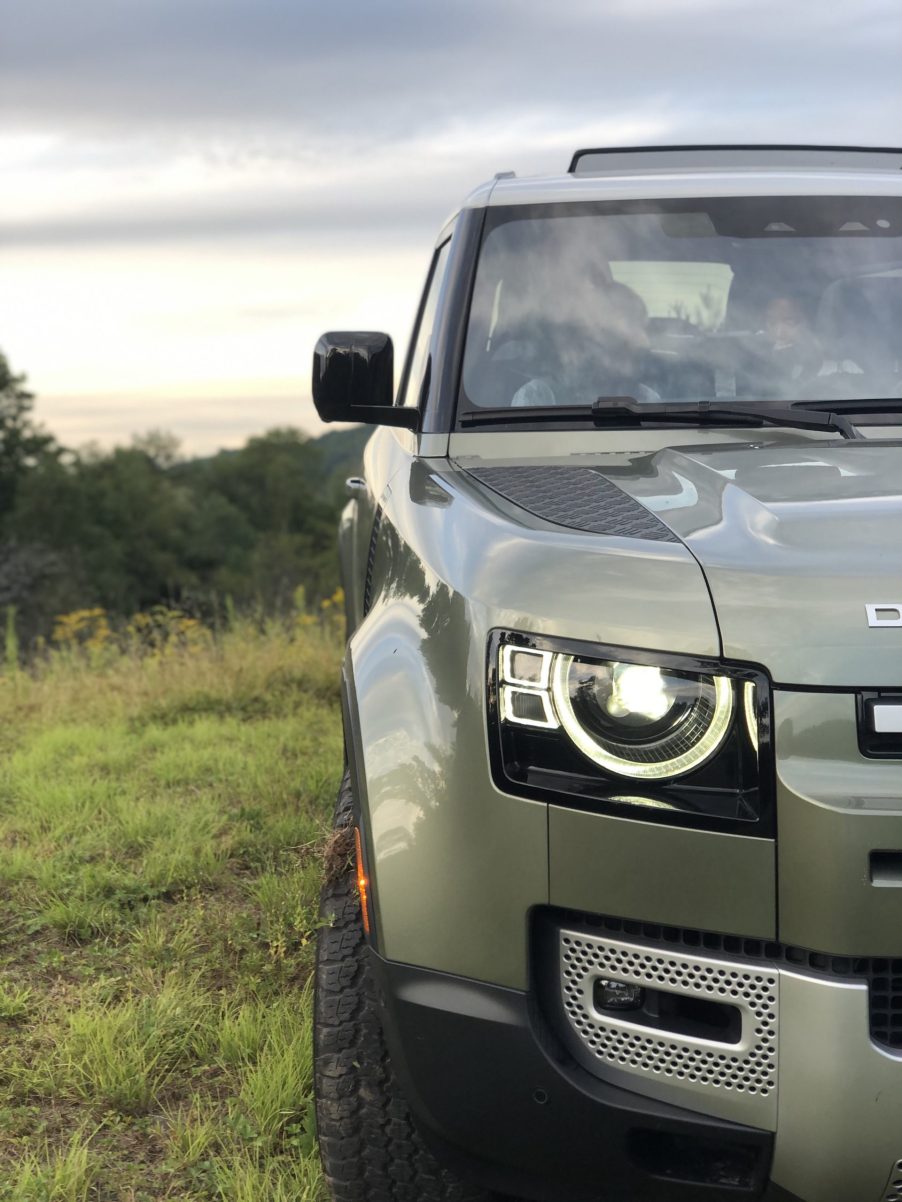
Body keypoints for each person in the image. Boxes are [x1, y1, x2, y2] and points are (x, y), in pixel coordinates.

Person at [511, 282, 660, 407]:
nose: (645, 342)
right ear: (595, 337)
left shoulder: (647, 399)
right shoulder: (537, 397)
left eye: (645, 329)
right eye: (632, 328)